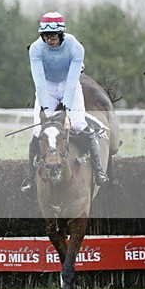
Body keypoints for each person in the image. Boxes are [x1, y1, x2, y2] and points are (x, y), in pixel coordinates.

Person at [20, 12, 108, 194]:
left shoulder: (75, 47)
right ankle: (30, 178)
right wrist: (44, 110)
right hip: (47, 86)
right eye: (45, 36)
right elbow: (39, 81)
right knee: (38, 130)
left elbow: (72, 81)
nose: (49, 40)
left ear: (61, 34)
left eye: (52, 36)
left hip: (70, 84)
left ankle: (99, 171)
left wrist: (66, 112)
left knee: (79, 124)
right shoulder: (36, 49)